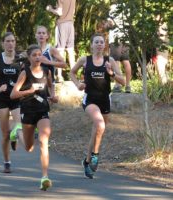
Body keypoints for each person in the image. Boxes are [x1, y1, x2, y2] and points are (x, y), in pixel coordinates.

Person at [70, 33, 125, 179]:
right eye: (97, 42)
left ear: (104, 45)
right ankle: (95, 156)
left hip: (105, 100)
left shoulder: (110, 60)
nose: (100, 44)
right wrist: (78, 84)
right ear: (92, 44)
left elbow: (123, 81)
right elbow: (72, 72)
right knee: (100, 124)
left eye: (102, 42)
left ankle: (87, 161)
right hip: (90, 100)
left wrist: (111, 73)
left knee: (96, 131)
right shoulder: (85, 60)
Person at [10, 44, 58, 191]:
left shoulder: (46, 71)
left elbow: (50, 86)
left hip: (43, 110)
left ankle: (44, 177)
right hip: (28, 111)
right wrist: (28, 91)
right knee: (29, 147)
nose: (38, 57)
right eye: (35, 55)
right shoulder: (25, 73)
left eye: (39, 55)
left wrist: (53, 96)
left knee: (44, 141)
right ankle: (17, 133)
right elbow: (13, 94)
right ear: (29, 58)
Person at [0, 32, 22, 173]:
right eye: (7, 41)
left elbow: (28, 75)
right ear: (3, 43)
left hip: (16, 96)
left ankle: (15, 136)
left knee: (18, 126)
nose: (10, 44)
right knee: (5, 134)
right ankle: (7, 162)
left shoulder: (20, 59)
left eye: (12, 41)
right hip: (1, 98)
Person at [46, 0, 76, 82]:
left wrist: (50, 9)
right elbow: (73, 12)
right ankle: (73, 75)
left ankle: (59, 76)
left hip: (62, 24)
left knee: (60, 49)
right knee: (70, 50)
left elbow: (59, 13)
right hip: (70, 24)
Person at [108, 4, 132, 93]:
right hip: (125, 39)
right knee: (126, 61)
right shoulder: (126, 7)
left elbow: (111, 24)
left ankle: (118, 85)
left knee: (115, 61)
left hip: (115, 39)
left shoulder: (113, 7)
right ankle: (128, 85)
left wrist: (106, 25)